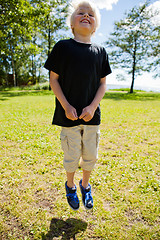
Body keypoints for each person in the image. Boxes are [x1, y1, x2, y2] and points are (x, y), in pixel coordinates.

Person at [44, 0, 111, 211]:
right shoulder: (63, 47)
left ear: (95, 26)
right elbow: (54, 79)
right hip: (68, 116)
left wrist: (92, 107)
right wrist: (65, 105)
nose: (86, 15)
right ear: (72, 23)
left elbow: (102, 85)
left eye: (91, 14)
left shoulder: (100, 51)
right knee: (72, 155)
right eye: (80, 12)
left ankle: (85, 185)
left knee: (90, 155)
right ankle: (71, 185)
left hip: (92, 117)